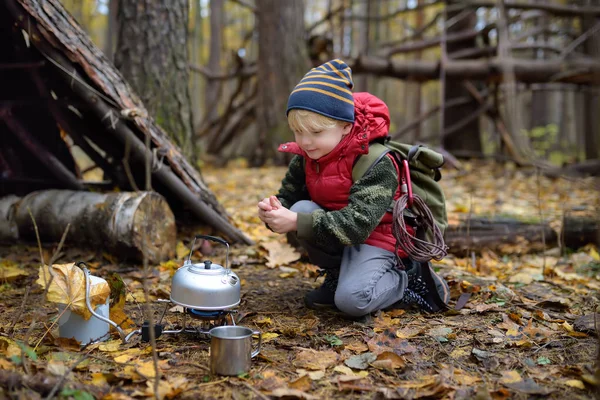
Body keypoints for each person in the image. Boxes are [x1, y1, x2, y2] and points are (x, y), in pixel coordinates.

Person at [257, 59, 449, 318]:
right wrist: (274, 211)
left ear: (345, 125)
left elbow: (358, 224)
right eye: (297, 132)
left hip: (382, 240)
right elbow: (289, 198)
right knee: (301, 208)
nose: (305, 141)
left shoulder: (376, 162)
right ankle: (337, 276)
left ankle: (408, 279)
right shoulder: (306, 157)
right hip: (343, 236)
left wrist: (295, 222)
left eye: (315, 132)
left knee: (353, 302)